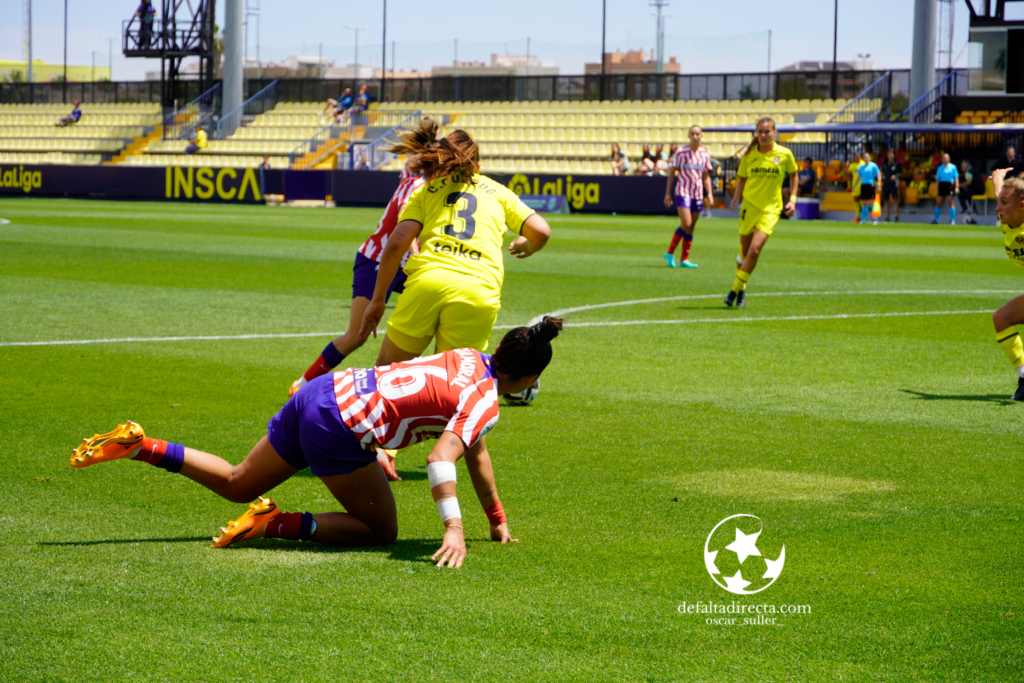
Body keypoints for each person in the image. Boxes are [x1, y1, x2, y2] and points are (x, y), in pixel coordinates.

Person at [69, 317, 564, 568]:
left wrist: (496, 519)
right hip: (339, 426)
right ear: (528, 379)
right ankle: (274, 522)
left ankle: (139, 445)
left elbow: (475, 451)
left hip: (324, 392)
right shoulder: (486, 401)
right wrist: (454, 529)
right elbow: (441, 459)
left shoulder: (468, 355)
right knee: (379, 532)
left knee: (237, 482)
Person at [287, 122, 432, 454]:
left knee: (424, 318)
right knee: (357, 335)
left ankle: (403, 392)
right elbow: (405, 227)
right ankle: (302, 385)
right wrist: (418, 257)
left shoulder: (424, 183)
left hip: (402, 265)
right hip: (377, 260)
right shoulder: (416, 185)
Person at [358, 123, 551, 367]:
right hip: (477, 289)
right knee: (454, 380)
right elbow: (542, 231)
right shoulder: (499, 192)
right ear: (478, 167)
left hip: (427, 282)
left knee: (386, 375)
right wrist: (527, 246)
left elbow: (397, 243)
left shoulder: (426, 191)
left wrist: (377, 300)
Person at [725, 116, 798, 308]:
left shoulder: (784, 154)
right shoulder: (749, 155)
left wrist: (792, 200)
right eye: (760, 132)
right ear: (756, 134)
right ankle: (742, 288)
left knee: (754, 250)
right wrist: (736, 197)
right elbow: (742, 178)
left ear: (774, 133)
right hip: (749, 207)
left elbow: (794, 175)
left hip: (771, 210)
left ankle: (734, 290)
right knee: (743, 253)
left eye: (767, 131)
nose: (764, 135)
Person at [988, 167, 1024, 400]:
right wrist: (998, 176)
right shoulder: (1008, 217)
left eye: (1004, 203)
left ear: (1022, 205)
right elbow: (1000, 191)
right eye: (999, 201)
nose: (998, 208)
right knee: (1001, 319)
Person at [663, 124, 712, 269]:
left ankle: (684, 259)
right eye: (693, 134)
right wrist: (667, 192)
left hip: (697, 193)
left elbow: (706, 175)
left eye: (698, 134)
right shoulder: (681, 152)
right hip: (683, 191)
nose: (695, 136)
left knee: (691, 227)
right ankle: (669, 253)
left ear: (701, 136)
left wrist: (709, 193)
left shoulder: (704, 154)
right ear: (689, 136)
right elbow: (672, 172)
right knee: (687, 223)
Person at [932, 153, 959, 225]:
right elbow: (937, 179)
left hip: (950, 184)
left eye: (947, 158)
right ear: (942, 159)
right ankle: (936, 219)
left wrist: (957, 187)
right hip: (942, 185)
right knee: (938, 202)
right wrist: (937, 189)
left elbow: (956, 177)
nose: (946, 159)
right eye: (944, 158)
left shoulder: (953, 167)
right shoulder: (940, 168)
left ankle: (952, 220)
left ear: (949, 159)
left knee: (950, 202)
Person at [856, 151, 881, 226]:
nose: (866, 158)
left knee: (871, 202)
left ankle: (875, 219)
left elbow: (878, 174)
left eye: (867, 157)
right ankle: (863, 220)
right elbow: (858, 177)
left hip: (870, 185)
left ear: (869, 158)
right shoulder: (861, 167)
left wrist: (879, 184)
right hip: (863, 185)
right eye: (865, 157)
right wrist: (854, 186)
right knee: (864, 203)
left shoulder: (873, 165)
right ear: (863, 158)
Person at [881, 149, 902, 222]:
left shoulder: (897, 164)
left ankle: (896, 217)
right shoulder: (884, 164)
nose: (890, 155)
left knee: (895, 200)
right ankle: (887, 217)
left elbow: (900, 173)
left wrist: (895, 176)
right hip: (886, 184)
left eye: (891, 154)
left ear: (894, 155)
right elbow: (882, 172)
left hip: (893, 184)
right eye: (889, 154)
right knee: (885, 200)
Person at [957, 160, 977, 224]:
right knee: (968, 195)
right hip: (980, 189)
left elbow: (969, 182)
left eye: (962, 166)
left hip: (976, 189)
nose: (961, 168)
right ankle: (974, 209)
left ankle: (965, 209)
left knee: (960, 195)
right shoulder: (974, 170)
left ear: (966, 166)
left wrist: (959, 186)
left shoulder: (969, 171)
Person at [847, 152, 865, 223]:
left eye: (858, 157)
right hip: (855, 184)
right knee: (856, 200)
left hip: (863, 184)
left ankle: (863, 217)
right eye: (855, 157)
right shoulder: (852, 165)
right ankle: (857, 217)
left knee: (863, 200)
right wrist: (847, 166)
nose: (857, 158)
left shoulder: (863, 163)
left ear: (860, 157)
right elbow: (848, 173)